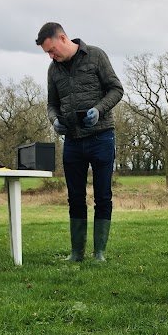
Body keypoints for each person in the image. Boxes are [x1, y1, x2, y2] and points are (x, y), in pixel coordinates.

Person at [36, 23, 124, 262]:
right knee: (75, 197)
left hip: (102, 137)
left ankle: (100, 254)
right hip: (72, 141)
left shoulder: (96, 56)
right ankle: (76, 253)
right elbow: (51, 105)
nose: (51, 56)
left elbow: (116, 89)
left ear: (63, 38)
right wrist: (55, 121)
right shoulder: (53, 71)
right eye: (47, 53)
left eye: (53, 50)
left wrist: (98, 109)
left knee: (102, 196)